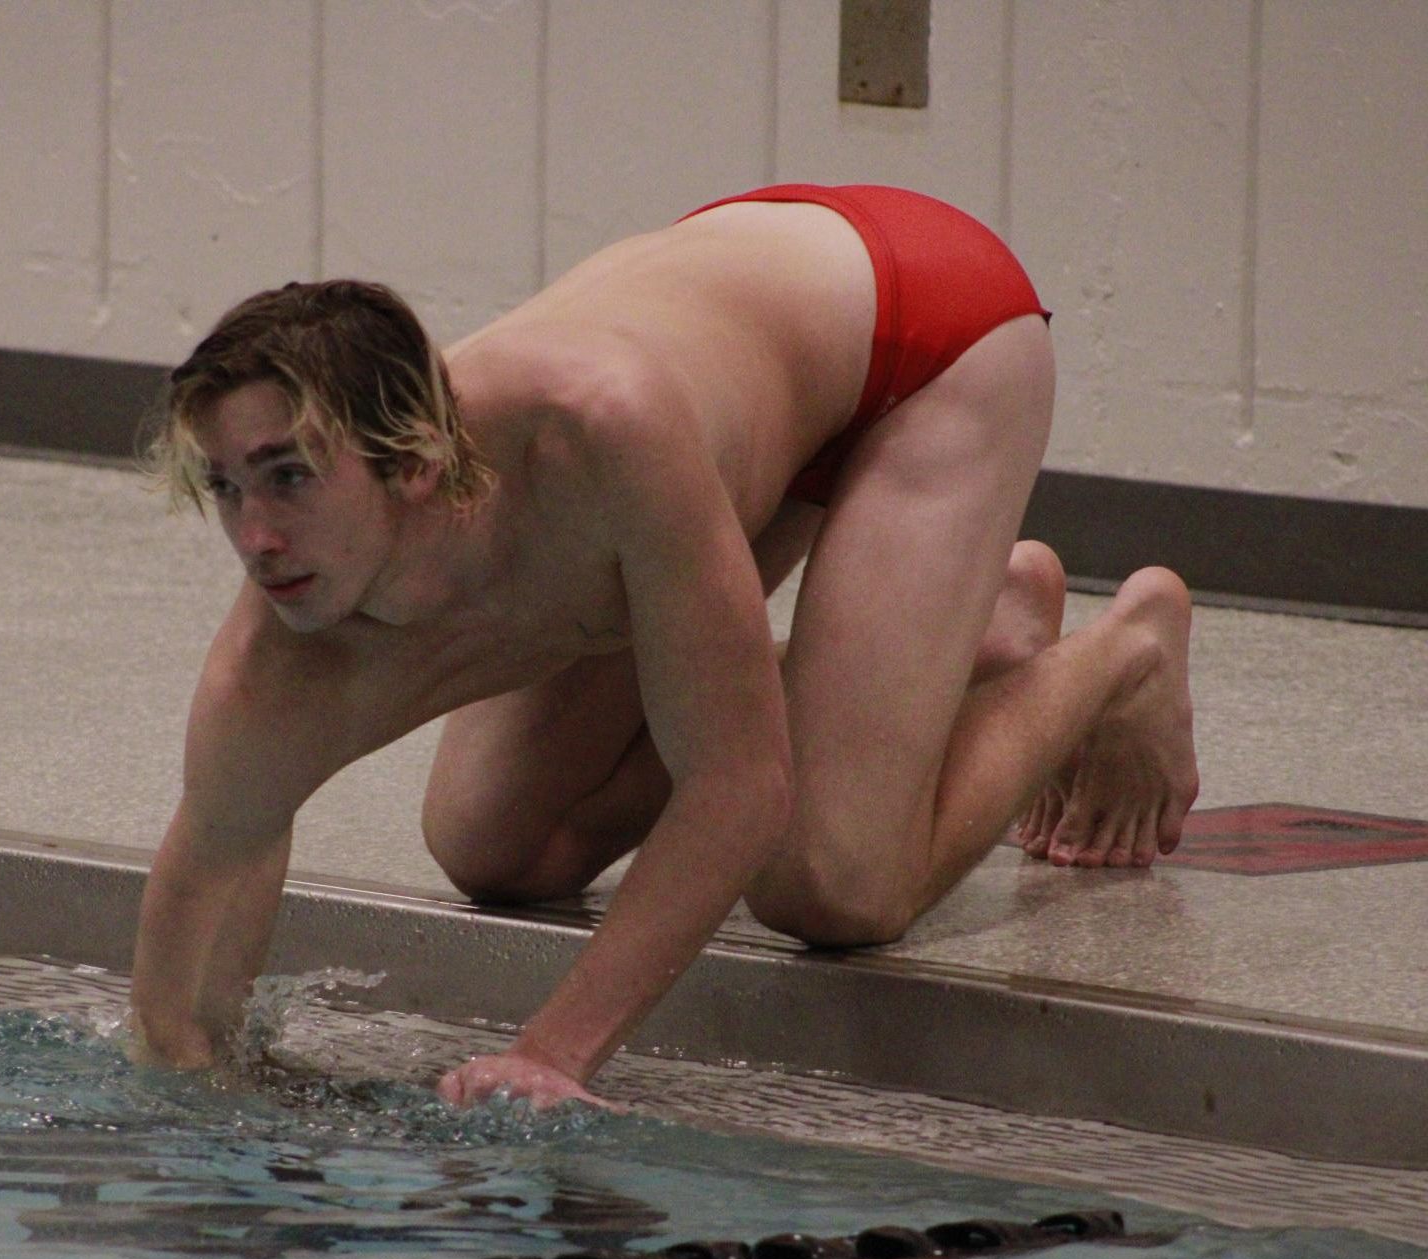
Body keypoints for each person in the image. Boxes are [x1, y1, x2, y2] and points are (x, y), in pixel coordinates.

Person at [128, 183, 1199, 1108]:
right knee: (493, 843)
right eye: (226, 486)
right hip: (745, 323)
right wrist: (189, 1079)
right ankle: (962, 630)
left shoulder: (599, 437)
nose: (255, 539)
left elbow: (736, 784)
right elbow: (218, 855)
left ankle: (1122, 650)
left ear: (408, 466)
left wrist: (549, 1053)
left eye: (289, 477)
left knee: (828, 881)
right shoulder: (273, 652)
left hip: (920, 329)